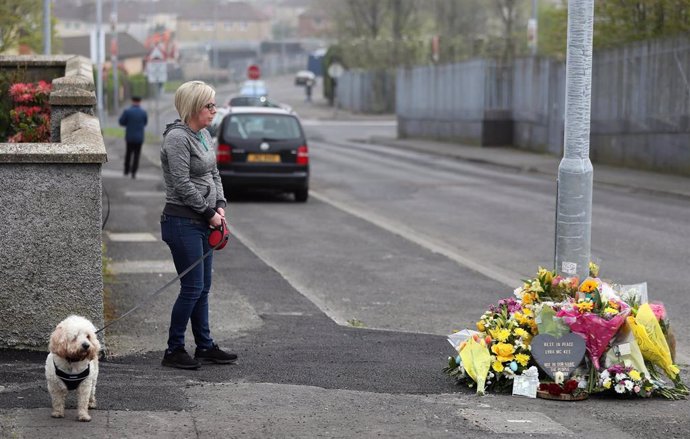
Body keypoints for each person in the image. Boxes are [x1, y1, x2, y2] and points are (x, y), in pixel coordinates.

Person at [159, 80, 237, 370]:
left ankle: (204, 345)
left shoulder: (204, 135)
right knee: (191, 287)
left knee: (203, 288)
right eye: (209, 105)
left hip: (204, 219)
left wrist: (220, 205)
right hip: (182, 221)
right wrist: (208, 213)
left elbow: (213, 173)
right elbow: (181, 184)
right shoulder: (177, 139)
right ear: (194, 107)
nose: (215, 110)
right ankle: (174, 349)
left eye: (214, 104)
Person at [118, 96, 148, 179]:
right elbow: (145, 123)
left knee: (128, 154)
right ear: (140, 101)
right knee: (137, 155)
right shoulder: (143, 112)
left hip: (130, 137)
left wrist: (128, 124)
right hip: (139, 138)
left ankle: (126, 170)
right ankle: (134, 172)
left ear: (132, 101)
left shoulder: (127, 111)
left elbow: (121, 122)